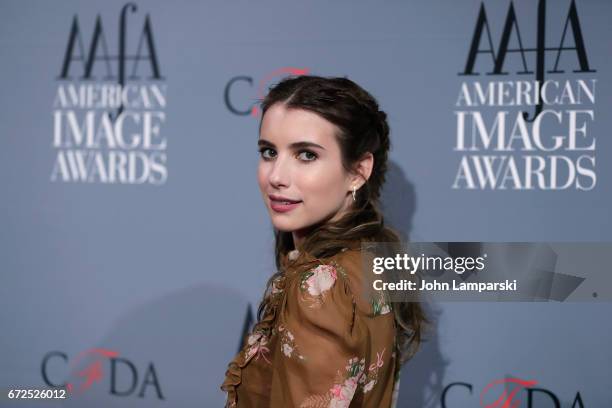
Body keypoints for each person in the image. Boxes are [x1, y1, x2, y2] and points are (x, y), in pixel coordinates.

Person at [220, 75, 426, 407]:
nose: (276, 176)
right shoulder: (372, 260)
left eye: (306, 155)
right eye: (269, 152)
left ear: (358, 171)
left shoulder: (320, 288)